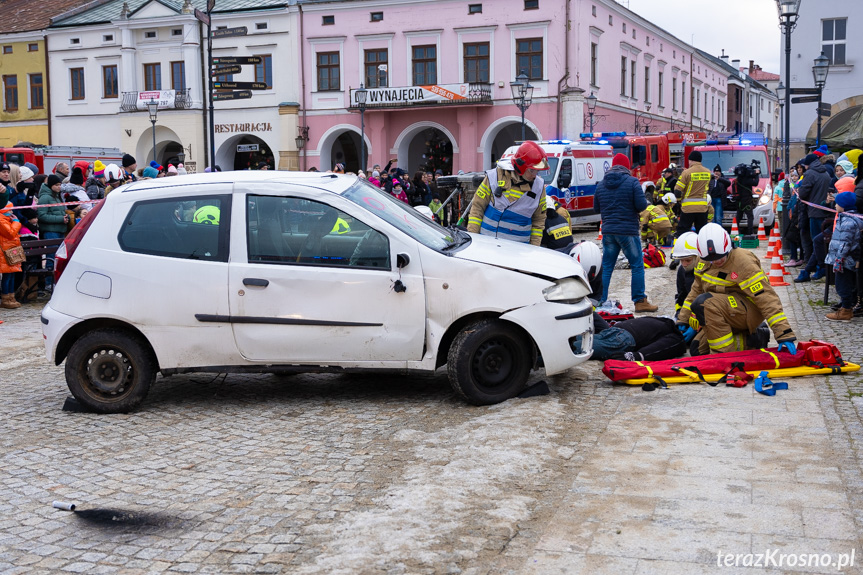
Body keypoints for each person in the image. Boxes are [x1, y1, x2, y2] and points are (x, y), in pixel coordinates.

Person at [677, 223, 797, 355]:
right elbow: (696, 290)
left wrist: (783, 334)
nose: (716, 262)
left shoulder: (743, 262)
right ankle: (752, 340)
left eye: (719, 257)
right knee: (697, 349)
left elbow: (766, 299)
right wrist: (683, 318)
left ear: (728, 247)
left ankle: (723, 357)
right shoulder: (703, 259)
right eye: (711, 259)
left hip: (747, 309)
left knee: (704, 303)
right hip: (721, 309)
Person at [593, 153, 657, 312]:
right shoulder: (632, 182)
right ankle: (640, 301)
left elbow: (596, 208)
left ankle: (600, 300)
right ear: (626, 167)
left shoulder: (601, 185)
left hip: (608, 232)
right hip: (628, 231)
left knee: (607, 266)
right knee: (637, 265)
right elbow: (642, 205)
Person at [466, 141, 547, 246]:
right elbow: (477, 208)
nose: (535, 175)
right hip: (487, 245)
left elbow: (538, 222)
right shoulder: (494, 177)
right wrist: (474, 238)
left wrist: (534, 248)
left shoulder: (539, 187)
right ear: (521, 166)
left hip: (519, 250)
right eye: (532, 171)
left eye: (537, 171)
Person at [824, 192, 863, 321]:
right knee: (845, 283)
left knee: (842, 285)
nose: (835, 205)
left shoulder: (848, 222)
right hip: (845, 259)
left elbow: (845, 243)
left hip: (844, 260)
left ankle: (846, 310)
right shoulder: (846, 217)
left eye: (837, 203)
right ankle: (847, 307)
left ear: (844, 205)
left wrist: (839, 259)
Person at [590, 317, 687, 361]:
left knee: (581, 343)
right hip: (623, 339)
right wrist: (637, 356)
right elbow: (662, 347)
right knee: (580, 349)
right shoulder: (677, 337)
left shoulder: (664, 321)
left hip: (614, 330)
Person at [796, 153, 832, 266]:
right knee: (823, 240)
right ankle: (821, 266)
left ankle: (818, 266)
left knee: (815, 240)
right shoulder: (825, 172)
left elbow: (803, 193)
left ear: (808, 165)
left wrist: (799, 192)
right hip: (826, 210)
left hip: (814, 210)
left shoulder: (810, 174)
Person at [38, 174, 69, 288]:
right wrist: (60, 219)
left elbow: (59, 212)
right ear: (51, 185)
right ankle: (48, 283)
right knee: (51, 257)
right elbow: (42, 216)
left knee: (58, 258)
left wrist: (66, 218)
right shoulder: (45, 198)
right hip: (51, 231)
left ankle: (55, 281)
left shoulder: (56, 196)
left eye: (60, 184)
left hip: (59, 230)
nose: (59, 187)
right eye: (56, 185)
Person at [674, 151, 711, 236]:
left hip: (688, 208)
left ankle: (682, 248)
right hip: (702, 208)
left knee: (683, 233)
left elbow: (677, 191)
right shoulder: (708, 172)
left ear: (691, 160)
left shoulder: (686, 173)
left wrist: (679, 202)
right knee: (702, 234)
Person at [0, 197, 23, 309]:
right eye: (10, 210)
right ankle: (5, 298)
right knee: (7, 276)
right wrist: (16, 222)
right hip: (5, 252)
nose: (12, 212)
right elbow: (10, 233)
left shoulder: (7, 220)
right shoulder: (1, 220)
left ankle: (11, 297)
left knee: (12, 274)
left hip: (11, 251)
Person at [671, 231, 699, 317]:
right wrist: (679, 312)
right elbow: (681, 295)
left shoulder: (708, 271)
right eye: (681, 260)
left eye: (688, 260)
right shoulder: (681, 270)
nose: (684, 264)